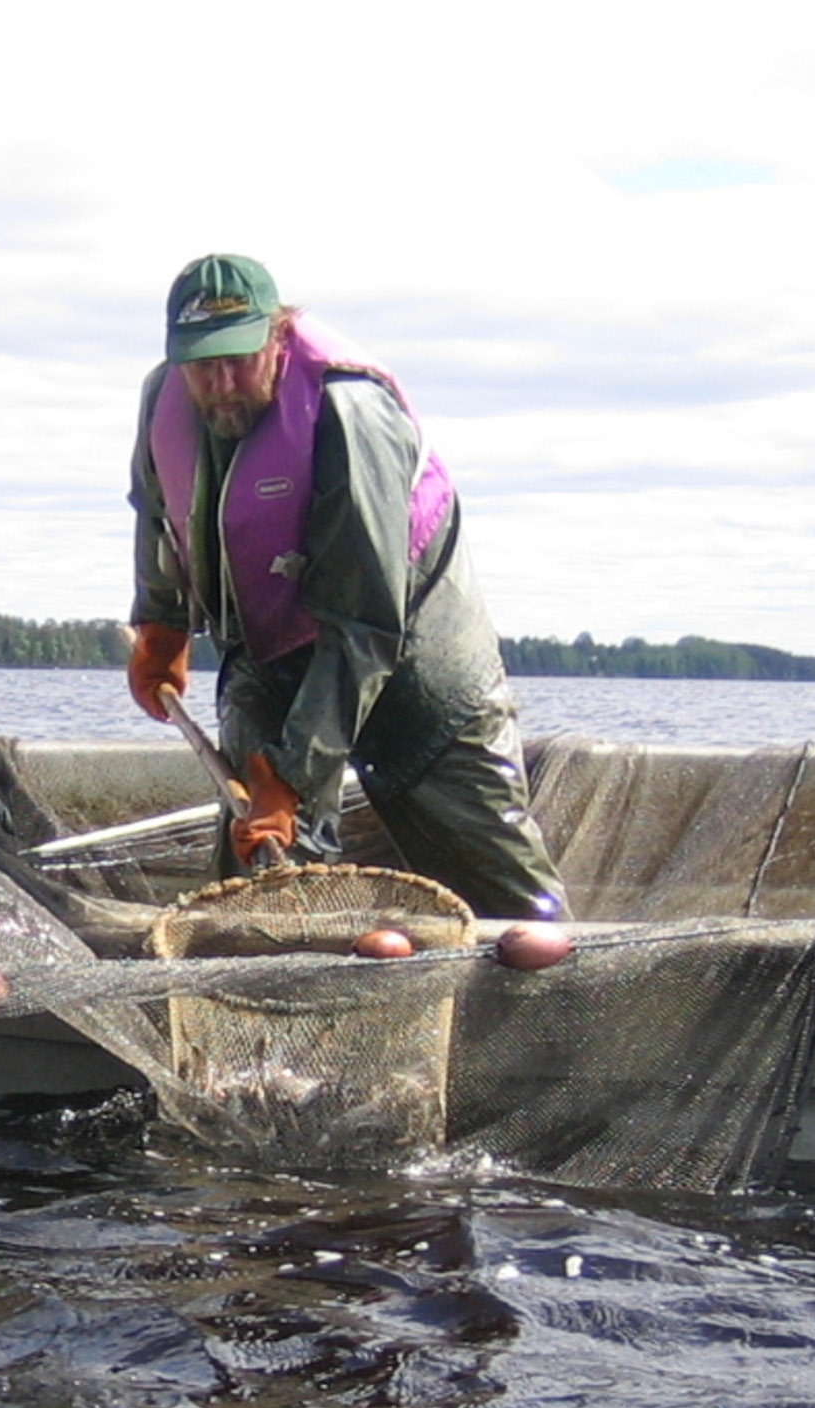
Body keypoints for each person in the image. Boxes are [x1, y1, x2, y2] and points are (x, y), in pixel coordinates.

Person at [124, 254, 569, 920]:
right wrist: (160, 623)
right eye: (201, 364)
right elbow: (158, 513)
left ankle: (556, 1007)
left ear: (279, 336)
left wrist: (293, 774)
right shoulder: (164, 396)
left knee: (504, 893)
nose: (219, 383)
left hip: (414, 664)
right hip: (270, 655)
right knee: (259, 880)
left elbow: (363, 624)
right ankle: (283, 1011)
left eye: (238, 359)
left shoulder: (348, 411)